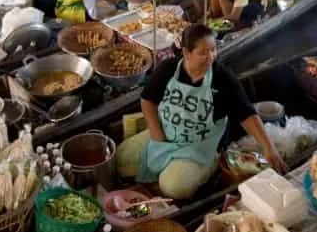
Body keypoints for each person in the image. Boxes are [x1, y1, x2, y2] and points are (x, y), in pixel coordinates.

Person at [116, 25, 285, 199]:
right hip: (167, 135)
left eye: (213, 50)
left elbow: (246, 114)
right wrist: (156, 133)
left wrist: (268, 148)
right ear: (186, 53)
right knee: (122, 159)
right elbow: (148, 100)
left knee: (173, 187)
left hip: (200, 145)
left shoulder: (222, 79)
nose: (210, 57)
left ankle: (207, 168)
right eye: (203, 52)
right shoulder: (168, 69)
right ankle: (171, 167)